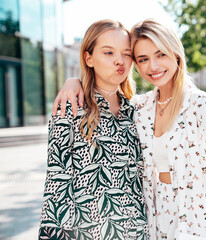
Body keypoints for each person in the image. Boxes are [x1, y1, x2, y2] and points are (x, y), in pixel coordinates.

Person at [53, 19, 206, 240]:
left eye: (161, 55)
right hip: (155, 222)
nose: (153, 67)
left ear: (176, 55)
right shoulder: (140, 108)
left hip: (197, 221)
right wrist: (75, 81)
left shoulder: (198, 104)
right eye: (143, 59)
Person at [38, 19, 148, 240]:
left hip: (138, 232)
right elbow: (56, 184)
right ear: (89, 58)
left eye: (126, 54)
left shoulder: (138, 110)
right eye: (108, 53)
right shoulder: (71, 107)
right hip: (90, 233)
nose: (120, 61)